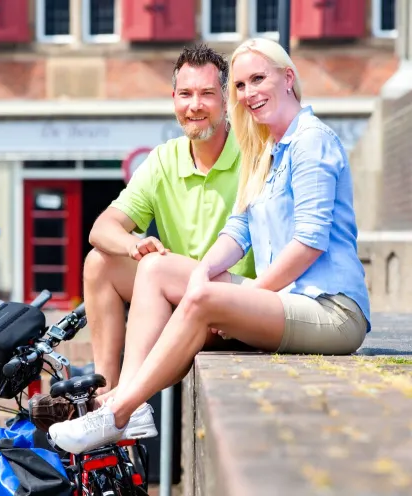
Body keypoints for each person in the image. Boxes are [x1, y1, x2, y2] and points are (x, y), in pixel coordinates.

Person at [47, 37, 371, 454]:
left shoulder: (311, 140)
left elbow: (309, 243)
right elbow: (238, 231)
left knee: (199, 299)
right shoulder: (268, 147)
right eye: (241, 84)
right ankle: (122, 395)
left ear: (288, 78)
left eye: (258, 79)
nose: (250, 93)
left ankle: (121, 410)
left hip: (330, 309)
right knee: (155, 268)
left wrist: (244, 294)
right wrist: (201, 274)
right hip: (285, 302)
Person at [28, 44, 256, 435]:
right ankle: (106, 389)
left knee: (156, 265)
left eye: (206, 94)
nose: (195, 105)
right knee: (99, 260)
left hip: (237, 305)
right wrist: (133, 244)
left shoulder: (254, 156)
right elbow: (101, 228)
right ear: (173, 100)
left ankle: (119, 405)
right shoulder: (164, 159)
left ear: (227, 100)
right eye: (185, 94)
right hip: (176, 295)